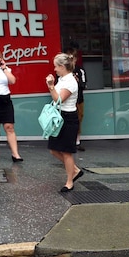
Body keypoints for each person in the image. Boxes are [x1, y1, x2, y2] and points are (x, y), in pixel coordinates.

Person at [46, 52, 83, 192]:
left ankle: (69, 181)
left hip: (68, 118)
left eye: (56, 66)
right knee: (54, 149)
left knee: (66, 152)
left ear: (62, 66)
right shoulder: (62, 79)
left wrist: (50, 86)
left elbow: (59, 99)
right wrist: (53, 85)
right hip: (60, 116)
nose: (54, 69)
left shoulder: (70, 81)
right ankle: (74, 170)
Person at [65, 47, 86, 151]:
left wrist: (77, 81)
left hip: (78, 100)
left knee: (78, 119)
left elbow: (84, 84)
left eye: (72, 58)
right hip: (66, 101)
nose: (71, 60)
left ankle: (77, 141)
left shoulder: (80, 70)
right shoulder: (63, 70)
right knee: (67, 121)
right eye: (68, 58)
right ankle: (68, 141)